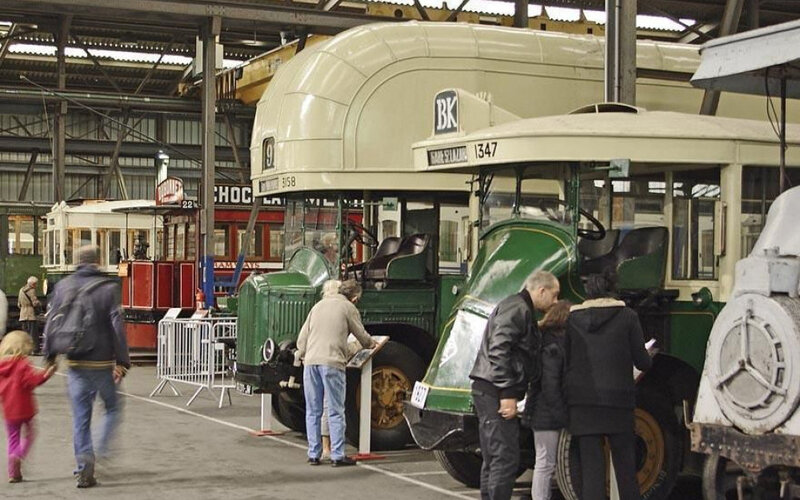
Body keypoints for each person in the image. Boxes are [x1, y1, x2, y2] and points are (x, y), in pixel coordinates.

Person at [42, 245, 131, 488]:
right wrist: (122, 362)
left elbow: (51, 321)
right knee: (112, 407)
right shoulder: (108, 288)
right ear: (97, 261)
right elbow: (117, 327)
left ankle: (84, 466)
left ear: (77, 261)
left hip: (75, 363)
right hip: (102, 363)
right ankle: (101, 449)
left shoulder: (63, 286)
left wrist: (49, 356)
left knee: (81, 418)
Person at [469, 270, 560, 500]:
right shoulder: (518, 309)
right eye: (555, 295)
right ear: (542, 291)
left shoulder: (519, 308)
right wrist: (507, 393)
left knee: (494, 458)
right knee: (505, 457)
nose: (555, 301)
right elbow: (500, 349)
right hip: (495, 390)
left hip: (487, 388)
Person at [564, 271, 653, 500]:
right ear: (612, 289)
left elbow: (566, 359)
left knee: (592, 471)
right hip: (618, 402)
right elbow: (642, 361)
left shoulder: (572, 320)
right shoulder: (628, 316)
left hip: (583, 402)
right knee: (625, 470)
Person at [296, 279, 375, 467]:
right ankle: (337, 455)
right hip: (332, 363)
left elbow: (302, 337)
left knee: (313, 411)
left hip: (310, 363)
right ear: (355, 298)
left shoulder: (318, 306)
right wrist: (371, 344)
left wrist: (301, 355)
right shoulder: (348, 307)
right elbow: (361, 334)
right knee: (335, 410)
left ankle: (314, 454)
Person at [522, 300, 571, 500]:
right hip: (547, 415)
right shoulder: (553, 346)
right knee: (545, 464)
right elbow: (551, 386)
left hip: (540, 411)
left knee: (545, 463)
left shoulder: (543, 340)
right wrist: (563, 417)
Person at [0, 330, 55, 482]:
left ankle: (13, 473)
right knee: (30, 434)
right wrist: (46, 374)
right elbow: (33, 381)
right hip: (25, 408)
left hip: (8, 410)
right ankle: (19, 455)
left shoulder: (1, 367)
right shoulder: (22, 365)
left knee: (13, 438)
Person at [18, 277, 41, 353]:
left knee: (25, 334)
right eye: (36, 284)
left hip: (22, 315)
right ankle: (34, 350)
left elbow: (18, 304)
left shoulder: (21, 290)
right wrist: (39, 304)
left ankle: (25, 350)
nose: (36, 285)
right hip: (30, 315)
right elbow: (35, 303)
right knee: (33, 333)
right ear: (33, 284)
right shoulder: (31, 290)